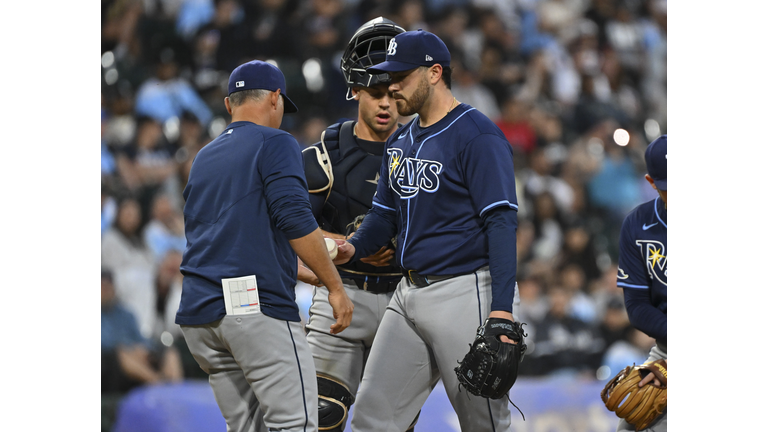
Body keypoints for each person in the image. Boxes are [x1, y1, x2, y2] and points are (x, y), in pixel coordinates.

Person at [333, 29, 522, 432]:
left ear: (434, 73)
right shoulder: (400, 139)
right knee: (371, 419)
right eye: (387, 76)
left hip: (466, 291)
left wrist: (502, 310)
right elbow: (383, 215)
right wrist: (353, 248)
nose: (391, 86)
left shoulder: (477, 134)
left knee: (484, 424)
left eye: (401, 75)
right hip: (409, 294)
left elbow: (502, 223)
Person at [175, 59, 354, 432]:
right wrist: (335, 286)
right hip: (251, 309)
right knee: (297, 424)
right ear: (276, 98)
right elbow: (294, 219)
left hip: (200, 314)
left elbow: (224, 234)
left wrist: (301, 271)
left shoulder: (204, 157)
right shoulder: (275, 142)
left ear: (229, 105)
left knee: (247, 428)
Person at [299, 17, 419, 432]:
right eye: (374, 93)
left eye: (392, 92)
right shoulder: (324, 157)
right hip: (343, 293)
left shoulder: (430, 153)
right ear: (354, 90)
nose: (385, 103)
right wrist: (343, 244)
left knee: (393, 426)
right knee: (320, 417)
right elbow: (288, 231)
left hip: (405, 301)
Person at [614, 134, 667, 431]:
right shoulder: (638, 224)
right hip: (669, 347)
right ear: (651, 182)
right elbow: (636, 307)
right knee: (634, 426)